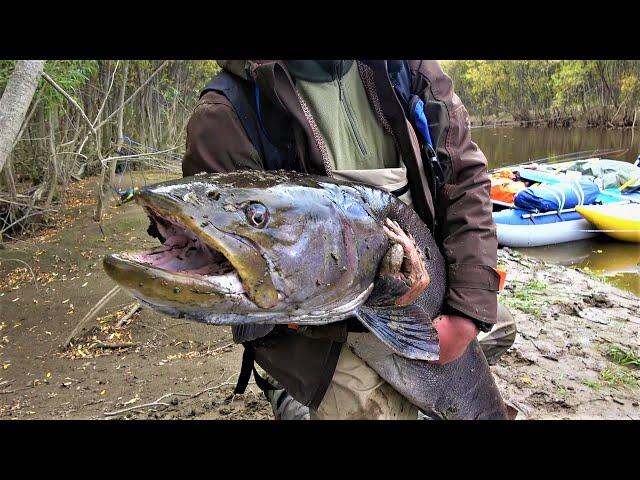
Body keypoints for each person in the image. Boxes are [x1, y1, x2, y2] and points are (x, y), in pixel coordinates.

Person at [182, 60, 514, 420]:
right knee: (376, 411)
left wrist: (466, 311)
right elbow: (234, 284)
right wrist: (385, 304)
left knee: (496, 322)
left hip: (416, 290)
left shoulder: (407, 68)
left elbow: (464, 177)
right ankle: (291, 392)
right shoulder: (226, 112)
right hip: (306, 327)